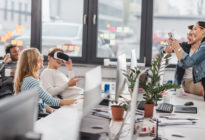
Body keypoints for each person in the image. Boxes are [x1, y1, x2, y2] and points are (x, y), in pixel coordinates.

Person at [14, 48, 79, 113]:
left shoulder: (30, 79)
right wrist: (76, 101)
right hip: (34, 117)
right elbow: (50, 100)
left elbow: (39, 101)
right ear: (33, 61)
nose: (42, 58)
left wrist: (52, 110)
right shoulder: (32, 80)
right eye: (40, 56)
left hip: (70, 99)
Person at [168, 21, 205, 100]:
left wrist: (176, 47)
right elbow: (164, 48)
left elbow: (190, 62)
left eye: (192, 34)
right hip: (189, 81)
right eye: (188, 34)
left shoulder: (202, 48)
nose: (189, 37)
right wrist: (167, 48)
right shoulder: (184, 46)